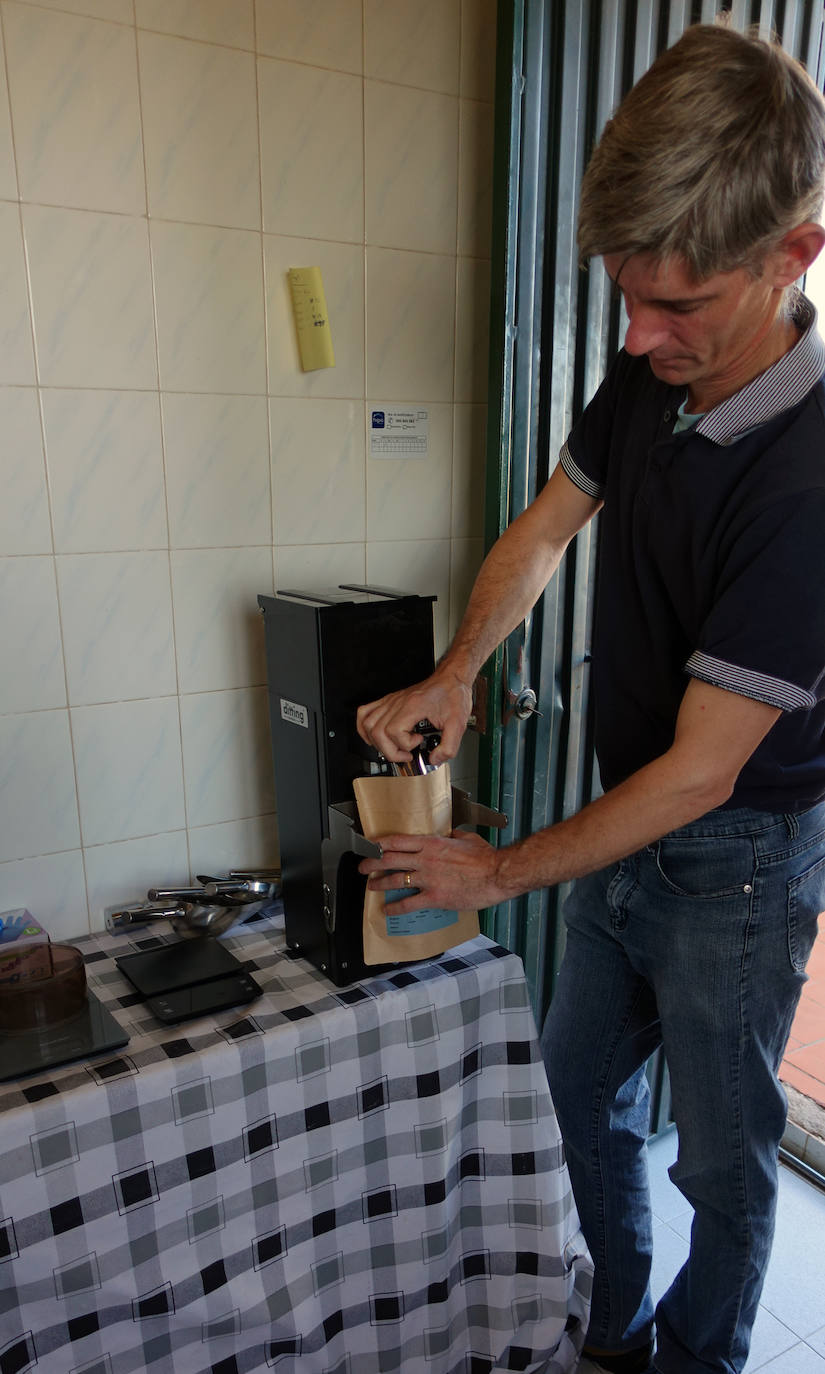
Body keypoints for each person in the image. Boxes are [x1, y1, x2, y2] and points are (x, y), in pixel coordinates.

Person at [355, 22, 825, 1374]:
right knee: (572, 1101)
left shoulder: (805, 487)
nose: (639, 334)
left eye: (681, 306)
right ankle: (605, 1329)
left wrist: (495, 871)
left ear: (793, 255)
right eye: (627, 296)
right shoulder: (648, 372)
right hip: (628, 829)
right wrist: (457, 670)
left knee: (727, 1176)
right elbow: (550, 524)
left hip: (735, 861)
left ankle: (697, 1360)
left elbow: (699, 774)